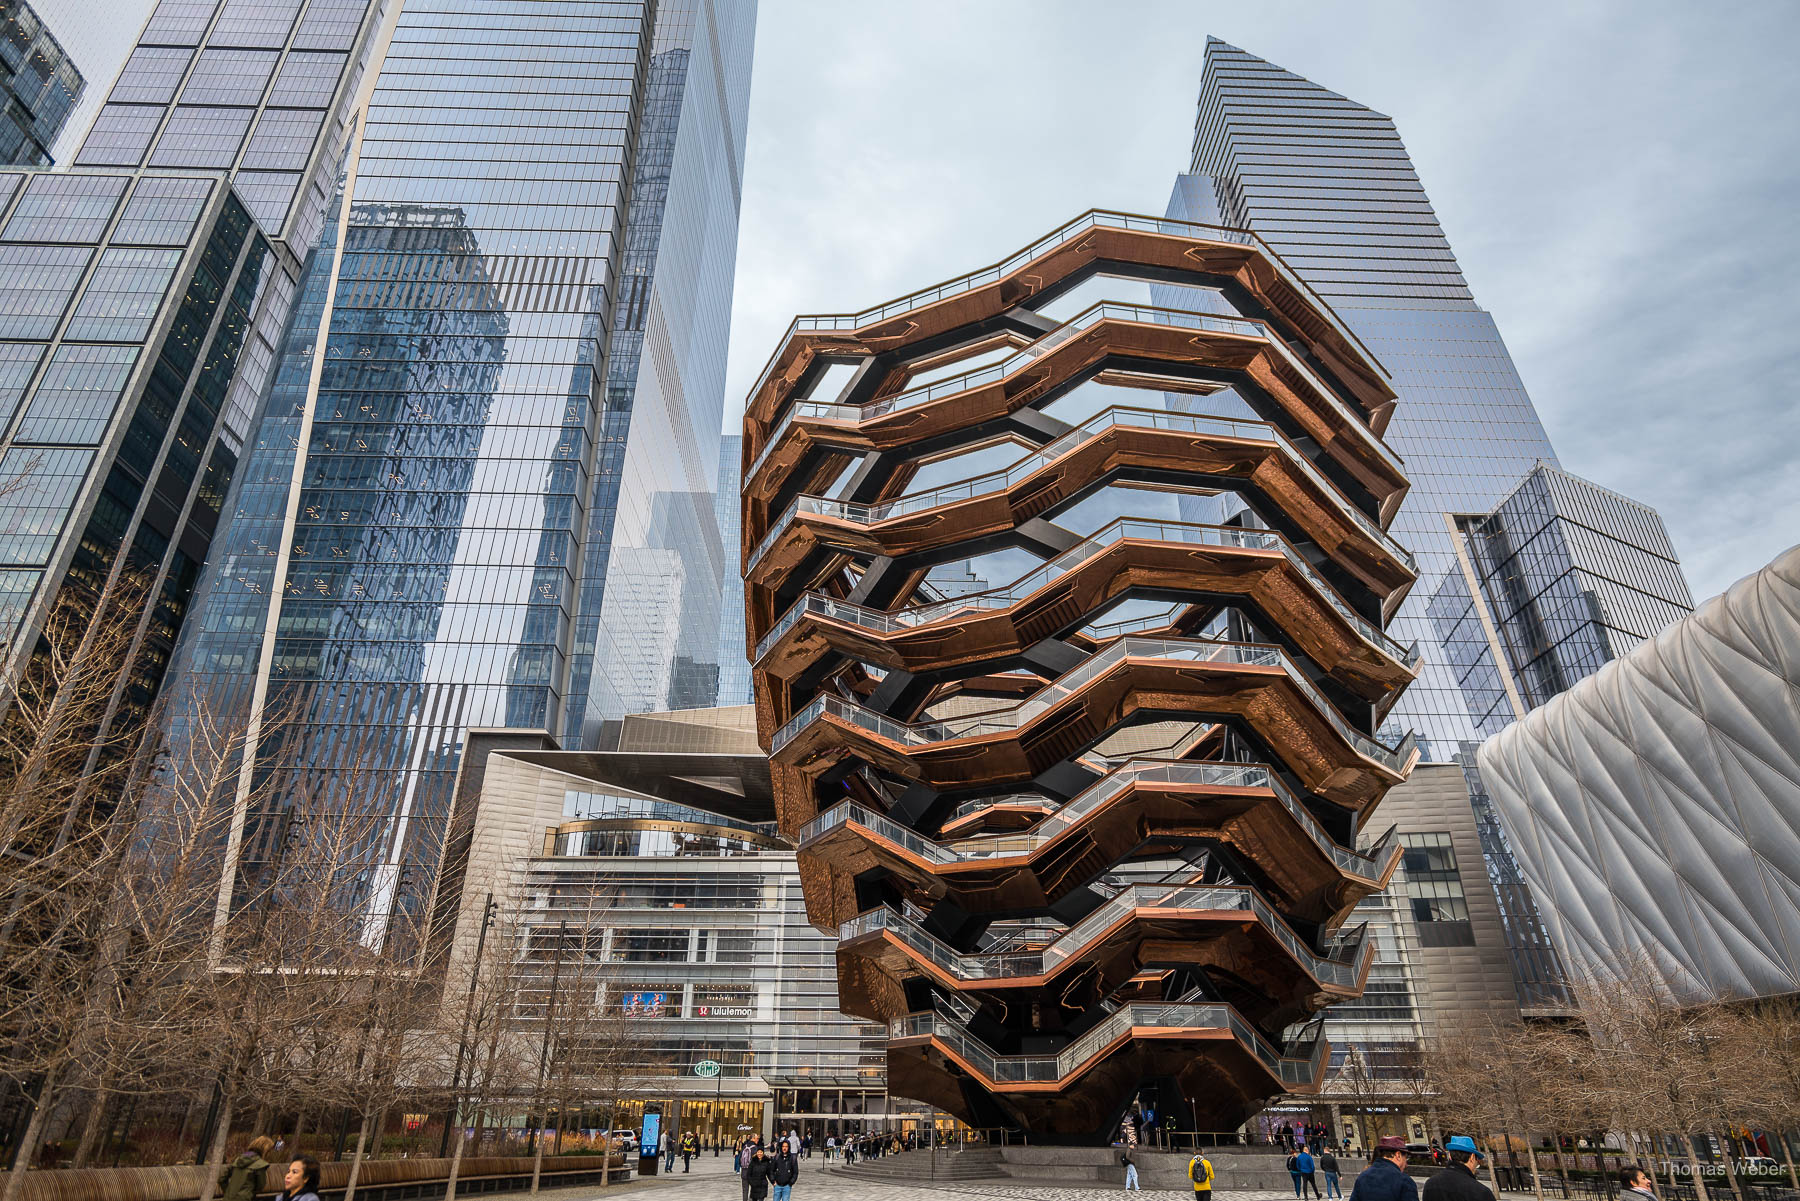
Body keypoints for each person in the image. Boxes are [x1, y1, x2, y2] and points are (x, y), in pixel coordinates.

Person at [1422, 1136, 1491, 1201]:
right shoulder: (1481, 1192)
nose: (1476, 1164)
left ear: (1450, 1156)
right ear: (1472, 1157)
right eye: (1477, 1160)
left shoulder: (1430, 1184)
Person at [1350, 1136, 1418, 1201]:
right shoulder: (1404, 1181)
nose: (1406, 1164)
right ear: (1398, 1155)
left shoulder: (1362, 1177)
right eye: (1406, 1158)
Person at [221, 1136, 274, 1201]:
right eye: (270, 1151)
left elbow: (221, 1178)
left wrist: (227, 1192)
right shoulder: (260, 1164)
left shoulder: (238, 1159)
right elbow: (260, 1186)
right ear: (266, 1150)